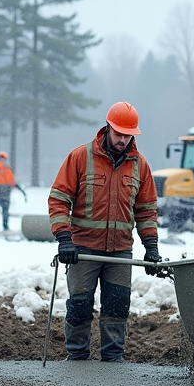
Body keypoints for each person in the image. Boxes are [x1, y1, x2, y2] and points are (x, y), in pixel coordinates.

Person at [48, 102, 160, 362]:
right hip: (83, 249)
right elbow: (58, 199)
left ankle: (113, 359)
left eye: (128, 135)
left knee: (117, 306)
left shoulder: (139, 166)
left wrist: (151, 247)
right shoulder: (80, 158)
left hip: (120, 251)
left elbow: (146, 210)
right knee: (79, 305)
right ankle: (76, 358)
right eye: (119, 133)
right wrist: (64, 239)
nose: (123, 140)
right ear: (108, 127)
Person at [0, 151, 26, 231]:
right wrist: (12, 186)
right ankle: (5, 226)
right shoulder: (7, 169)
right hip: (5, 191)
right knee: (5, 210)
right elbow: (11, 181)